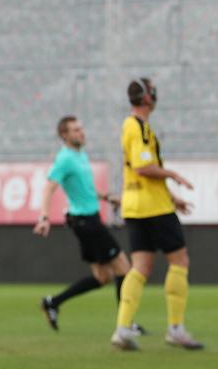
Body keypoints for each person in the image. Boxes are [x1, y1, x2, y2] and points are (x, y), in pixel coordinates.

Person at [111, 78, 203, 351]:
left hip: (137, 205)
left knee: (141, 266)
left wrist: (173, 198)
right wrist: (173, 175)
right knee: (180, 260)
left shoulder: (138, 126)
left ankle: (123, 328)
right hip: (152, 206)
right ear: (147, 97)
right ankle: (175, 328)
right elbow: (143, 167)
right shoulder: (135, 126)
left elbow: (145, 170)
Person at [33, 116, 143, 333]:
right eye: (75, 130)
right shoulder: (65, 159)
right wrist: (44, 217)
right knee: (124, 268)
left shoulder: (80, 154)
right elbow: (48, 188)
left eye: (81, 128)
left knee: (102, 277)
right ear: (64, 135)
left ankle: (53, 302)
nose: (81, 133)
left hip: (86, 220)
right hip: (86, 223)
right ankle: (126, 324)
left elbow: (83, 188)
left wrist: (106, 197)